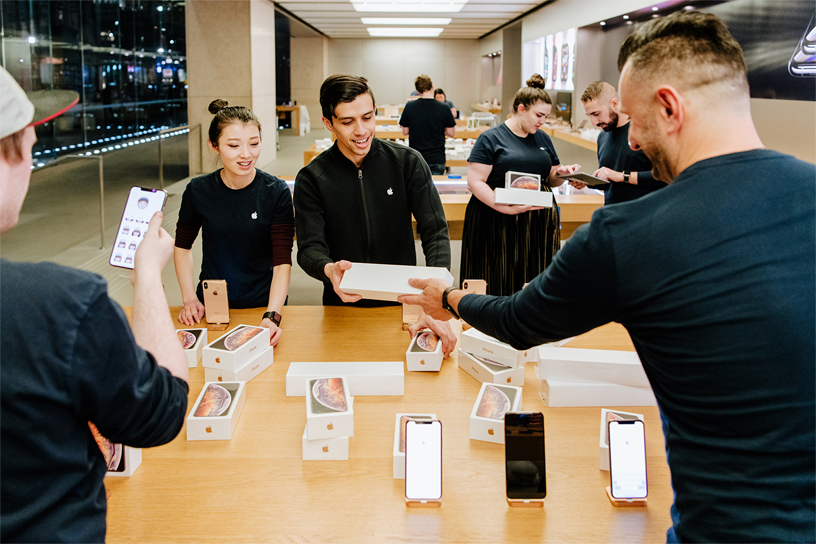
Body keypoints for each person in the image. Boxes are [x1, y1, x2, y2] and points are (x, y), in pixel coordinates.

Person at [399, 12, 815, 543]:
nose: (632, 139)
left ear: (670, 107)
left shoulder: (628, 235)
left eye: (634, 119)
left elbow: (519, 322)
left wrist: (451, 297)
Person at [0, 66, 190, 542]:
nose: (31, 160)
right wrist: (149, 276)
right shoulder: (57, 305)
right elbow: (161, 411)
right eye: (27, 144)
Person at [294, 74, 456, 355]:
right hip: (342, 305)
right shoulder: (312, 177)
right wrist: (328, 269)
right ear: (328, 123)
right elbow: (309, 248)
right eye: (348, 122)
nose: (361, 131)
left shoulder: (407, 162)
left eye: (367, 117)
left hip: (405, 305)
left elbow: (435, 230)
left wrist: (437, 294)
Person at [174, 100, 294, 346]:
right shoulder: (198, 191)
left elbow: (282, 261)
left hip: (264, 304)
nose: (246, 154)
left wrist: (272, 315)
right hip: (212, 306)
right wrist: (189, 299)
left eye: (254, 144)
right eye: (233, 145)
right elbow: (182, 247)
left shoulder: (276, 191)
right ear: (214, 145)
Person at [460, 74, 580, 297]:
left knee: (534, 281)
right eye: (538, 115)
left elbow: (550, 178)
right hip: (495, 220)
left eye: (546, 116)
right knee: (495, 280)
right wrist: (501, 205)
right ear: (521, 109)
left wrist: (561, 174)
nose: (542, 121)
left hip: (537, 224)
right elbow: (475, 181)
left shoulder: (542, 138)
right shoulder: (491, 138)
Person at [571, 80, 667, 204]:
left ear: (614, 104)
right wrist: (588, 183)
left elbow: (665, 177)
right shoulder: (602, 137)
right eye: (589, 115)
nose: (594, 122)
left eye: (596, 114)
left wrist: (622, 176)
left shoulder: (645, 131)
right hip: (612, 212)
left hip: (644, 212)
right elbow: (611, 183)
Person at [399, 75, 456, 175]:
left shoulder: (410, 106)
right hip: (437, 157)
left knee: (416, 185)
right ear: (432, 86)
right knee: (435, 184)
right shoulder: (444, 107)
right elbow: (451, 133)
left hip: (416, 157)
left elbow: (405, 131)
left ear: (418, 91)